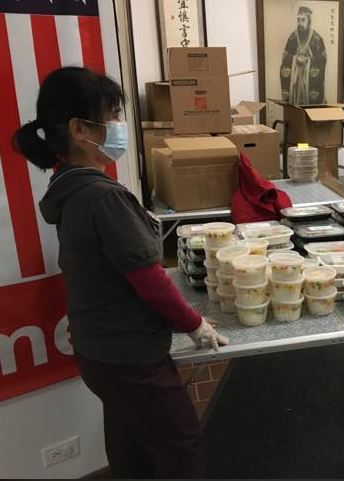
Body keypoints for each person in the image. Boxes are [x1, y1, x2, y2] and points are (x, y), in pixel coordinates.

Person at [13, 67, 229, 478]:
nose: (119, 127)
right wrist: (195, 324)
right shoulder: (102, 197)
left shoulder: (68, 186)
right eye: (112, 116)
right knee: (182, 444)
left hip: (97, 350)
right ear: (80, 128)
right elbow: (149, 280)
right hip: (130, 355)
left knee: (130, 441)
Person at [280, 6, 327, 105]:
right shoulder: (293, 37)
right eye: (298, 20)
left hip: (309, 82)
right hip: (295, 82)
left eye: (303, 20)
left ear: (309, 21)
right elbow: (285, 56)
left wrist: (308, 61)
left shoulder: (316, 38)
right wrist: (295, 59)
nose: (300, 23)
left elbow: (322, 59)